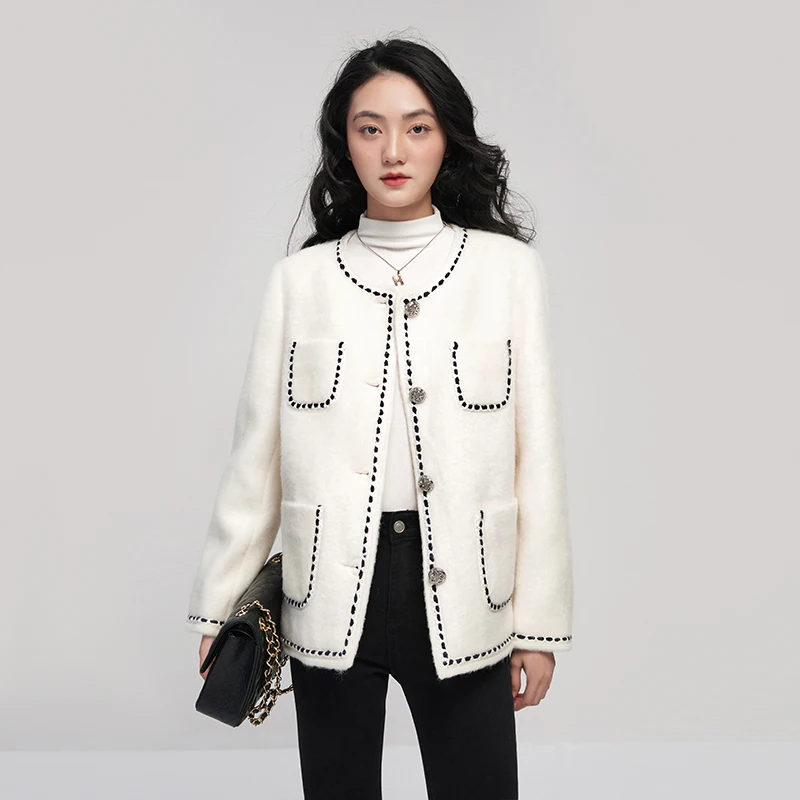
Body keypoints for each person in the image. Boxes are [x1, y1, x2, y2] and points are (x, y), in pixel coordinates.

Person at [186, 36, 574, 800]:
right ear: (346, 144)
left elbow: (539, 462)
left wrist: (537, 626)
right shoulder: (300, 282)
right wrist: (217, 607)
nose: (394, 150)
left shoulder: (507, 272)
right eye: (371, 129)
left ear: (446, 138)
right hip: (327, 590)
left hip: (469, 594)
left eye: (416, 127)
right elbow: (256, 461)